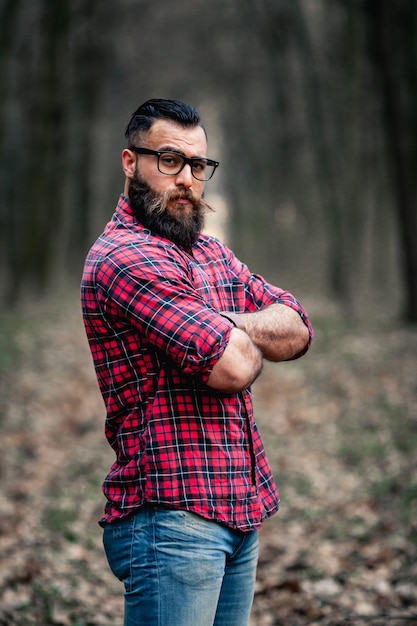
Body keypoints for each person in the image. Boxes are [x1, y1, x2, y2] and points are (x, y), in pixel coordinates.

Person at [81, 98, 313, 626]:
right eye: (169, 160)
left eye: (198, 165)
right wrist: (248, 329)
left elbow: (298, 327)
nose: (187, 178)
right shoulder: (124, 258)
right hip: (172, 521)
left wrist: (222, 319)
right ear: (129, 161)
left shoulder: (211, 254)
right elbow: (231, 369)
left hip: (239, 508)